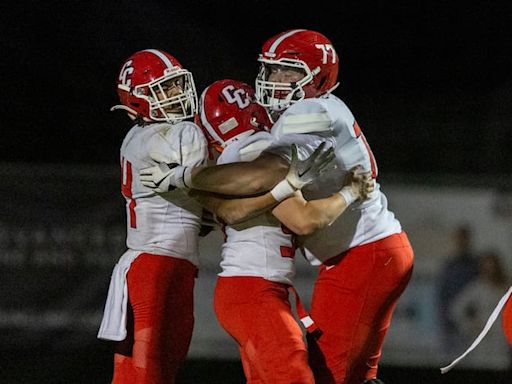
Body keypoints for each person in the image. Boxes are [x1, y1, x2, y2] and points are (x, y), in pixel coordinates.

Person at [140, 30, 414, 384]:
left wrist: (188, 177)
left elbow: (265, 173)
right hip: (360, 254)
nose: (275, 80)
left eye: (288, 72)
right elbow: (239, 207)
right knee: (345, 375)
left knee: (328, 375)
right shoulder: (302, 116)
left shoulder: (308, 110)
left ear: (318, 76)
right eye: (271, 71)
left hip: (362, 255)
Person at [187, 78, 374, 384]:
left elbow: (230, 211)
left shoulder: (232, 156)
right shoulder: (255, 149)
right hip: (253, 290)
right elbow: (303, 220)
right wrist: (350, 192)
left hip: (252, 289)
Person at [97, 48, 209, 384]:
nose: (177, 93)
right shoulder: (178, 134)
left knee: (148, 372)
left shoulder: (139, 136)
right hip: (154, 266)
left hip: (170, 263)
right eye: (165, 88)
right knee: (149, 373)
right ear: (138, 99)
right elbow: (204, 180)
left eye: (176, 84)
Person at [450, 251, 511, 370]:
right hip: (483, 341)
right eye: (486, 268)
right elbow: (456, 309)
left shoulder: (506, 287)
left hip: (501, 341)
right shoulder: (477, 288)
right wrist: (472, 324)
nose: (490, 272)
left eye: (492, 268)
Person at [437, 224, 479, 357]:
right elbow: (442, 294)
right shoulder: (450, 265)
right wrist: (444, 317)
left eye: (464, 238)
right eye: (459, 238)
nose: (462, 241)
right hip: (450, 324)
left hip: (470, 322)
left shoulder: (476, 265)